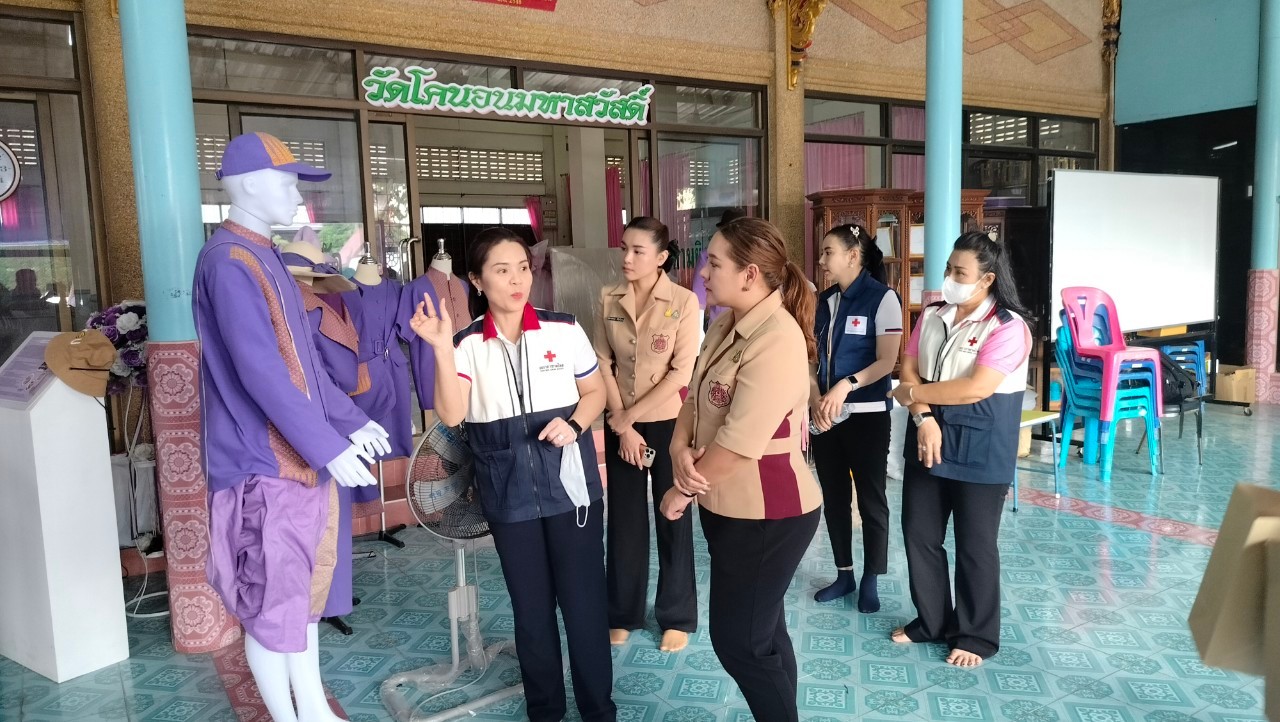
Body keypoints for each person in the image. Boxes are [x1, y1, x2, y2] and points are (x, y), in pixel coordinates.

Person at [409, 227, 616, 722]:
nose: (517, 279)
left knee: (585, 609)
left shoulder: (563, 330)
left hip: (572, 493)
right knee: (532, 612)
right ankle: (545, 711)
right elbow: (453, 416)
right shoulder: (463, 346)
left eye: (523, 267)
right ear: (477, 281)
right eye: (502, 271)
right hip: (508, 498)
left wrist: (574, 423)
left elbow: (596, 395)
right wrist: (439, 348)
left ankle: (599, 711)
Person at [659, 217, 820, 722]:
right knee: (764, 632)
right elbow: (693, 397)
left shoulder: (777, 338)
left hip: (770, 514)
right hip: (729, 505)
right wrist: (679, 449)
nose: (705, 271)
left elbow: (739, 441)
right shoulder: (726, 323)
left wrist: (680, 491)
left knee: (740, 643)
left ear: (750, 274)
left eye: (715, 262)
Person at [887, 232, 1032, 668]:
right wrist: (924, 417)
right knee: (920, 536)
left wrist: (912, 396)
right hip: (928, 438)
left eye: (959, 272)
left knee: (975, 545)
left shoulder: (1007, 327)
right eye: (949, 268)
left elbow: (975, 388)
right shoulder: (933, 314)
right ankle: (931, 621)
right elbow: (907, 365)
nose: (949, 277)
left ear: (987, 279)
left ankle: (975, 635)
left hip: (982, 449)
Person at [593, 216, 700, 652]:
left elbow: (681, 372)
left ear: (661, 257)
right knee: (624, 521)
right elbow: (601, 362)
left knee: (672, 516)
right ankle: (622, 612)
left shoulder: (684, 301)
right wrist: (622, 423)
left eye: (638, 251)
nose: (627, 258)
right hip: (622, 422)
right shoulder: (607, 297)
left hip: (668, 422)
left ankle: (676, 615)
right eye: (624, 248)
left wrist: (629, 419)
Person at [810, 223, 902, 611]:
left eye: (828, 252)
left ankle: (871, 578)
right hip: (826, 416)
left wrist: (846, 384)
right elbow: (813, 358)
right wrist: (816, 398)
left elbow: (887, 361)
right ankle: (844, 573)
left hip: (866, 415)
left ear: (852, 255)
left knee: (871, 498)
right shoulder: (825, 300)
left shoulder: (883, 299)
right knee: (833, 497)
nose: (821, 260)